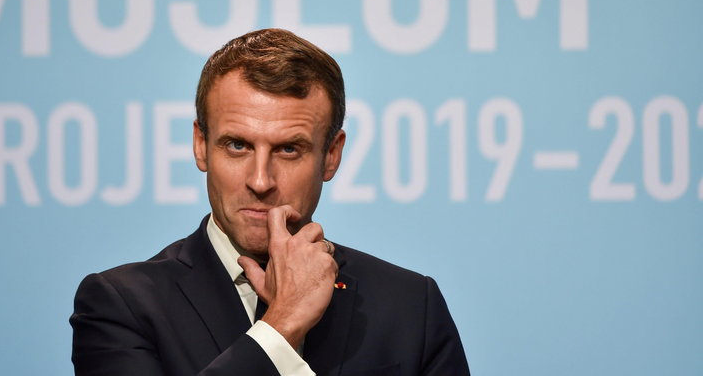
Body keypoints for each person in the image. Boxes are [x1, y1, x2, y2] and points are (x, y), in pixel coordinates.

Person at [70, 28, 470, 375]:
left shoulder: (410, 307)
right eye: (238, 145)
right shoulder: (121, 306)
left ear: (331, 155)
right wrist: (282, 327)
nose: (260, 181)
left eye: (289, 150)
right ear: (201, 145)